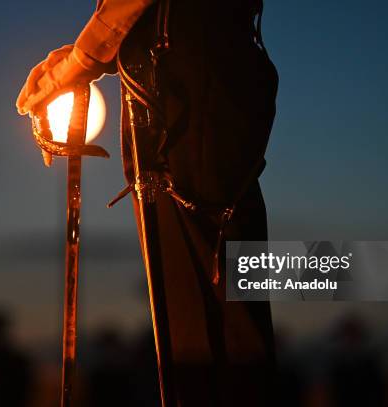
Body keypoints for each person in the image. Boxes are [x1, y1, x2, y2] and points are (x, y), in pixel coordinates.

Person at [16, 1, 278, 405]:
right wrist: (89, 52)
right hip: (198, 91)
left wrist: (82, 59)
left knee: (207, 312)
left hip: (184, 105)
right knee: (215, 303)